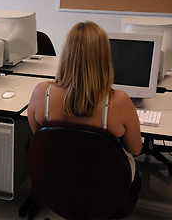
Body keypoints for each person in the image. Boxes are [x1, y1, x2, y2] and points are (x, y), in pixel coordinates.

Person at [27, 21, 142, 215]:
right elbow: (136, 149)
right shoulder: (119, 101)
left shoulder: (42, 93)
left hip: (56, 183)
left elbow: (38, 135)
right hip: (105, 191)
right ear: (105, 57)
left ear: (67, 54)